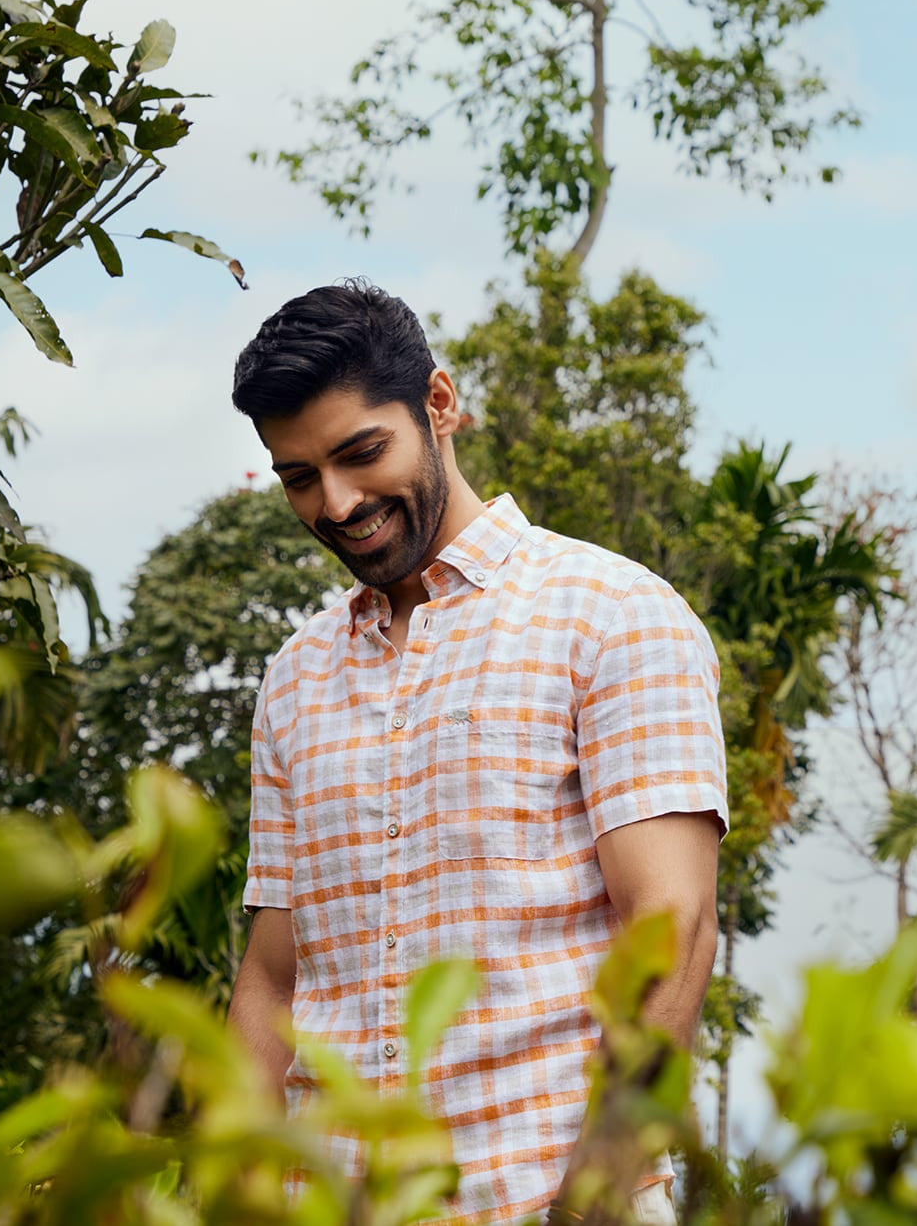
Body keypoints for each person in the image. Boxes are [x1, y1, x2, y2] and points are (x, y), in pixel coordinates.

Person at [227, 280, 728, 1226]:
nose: (336, 503)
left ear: (440, 406)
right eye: (300, 478)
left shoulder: (611, 616)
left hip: (542, 1197)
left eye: (360, 454)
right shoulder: (295, 677)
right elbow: (275, 977)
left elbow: (675, 923)